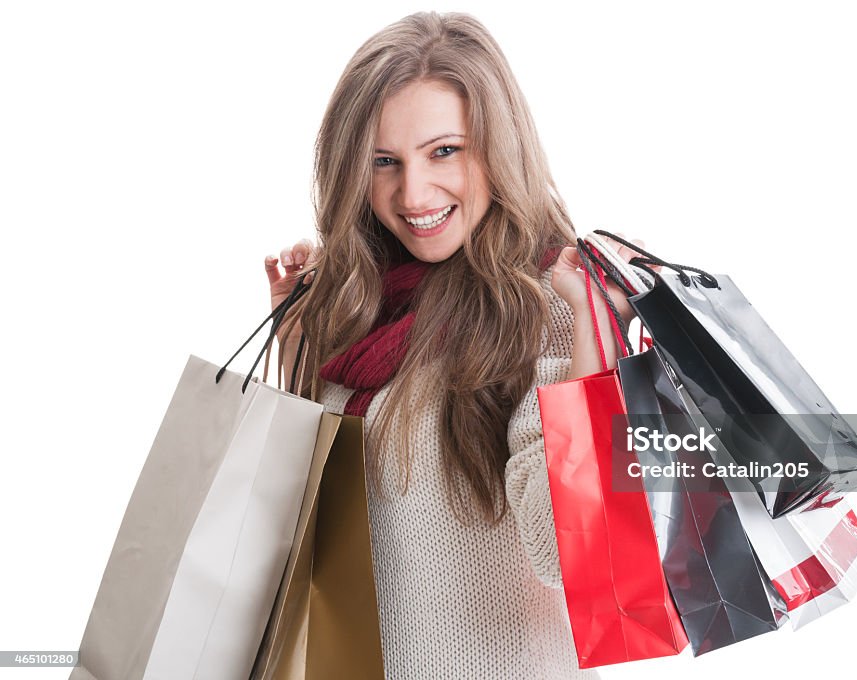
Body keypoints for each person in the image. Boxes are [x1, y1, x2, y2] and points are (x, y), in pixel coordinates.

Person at [263, 11, 643, 679]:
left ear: (499, 147)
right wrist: (295, 349)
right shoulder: (355, 300)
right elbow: (294, 529)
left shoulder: (551, 308)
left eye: (444, 151)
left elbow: (571, 558)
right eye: (384, 161)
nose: (413, 194)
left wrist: (591, 334)